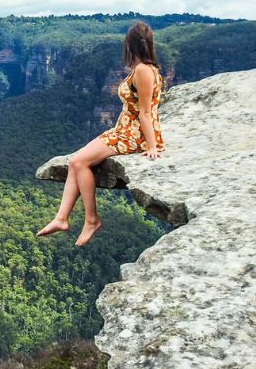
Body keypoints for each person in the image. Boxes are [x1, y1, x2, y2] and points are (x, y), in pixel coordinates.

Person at [36, 21, 166, 246]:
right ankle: (62, 218)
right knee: (76, 160)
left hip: (133, 136)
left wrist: (152, 146)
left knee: (79, 163)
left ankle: (91, 219)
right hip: (122, 130)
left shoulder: (144, 70)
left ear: (130, 45)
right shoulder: (144, 68)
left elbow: (146, 112)